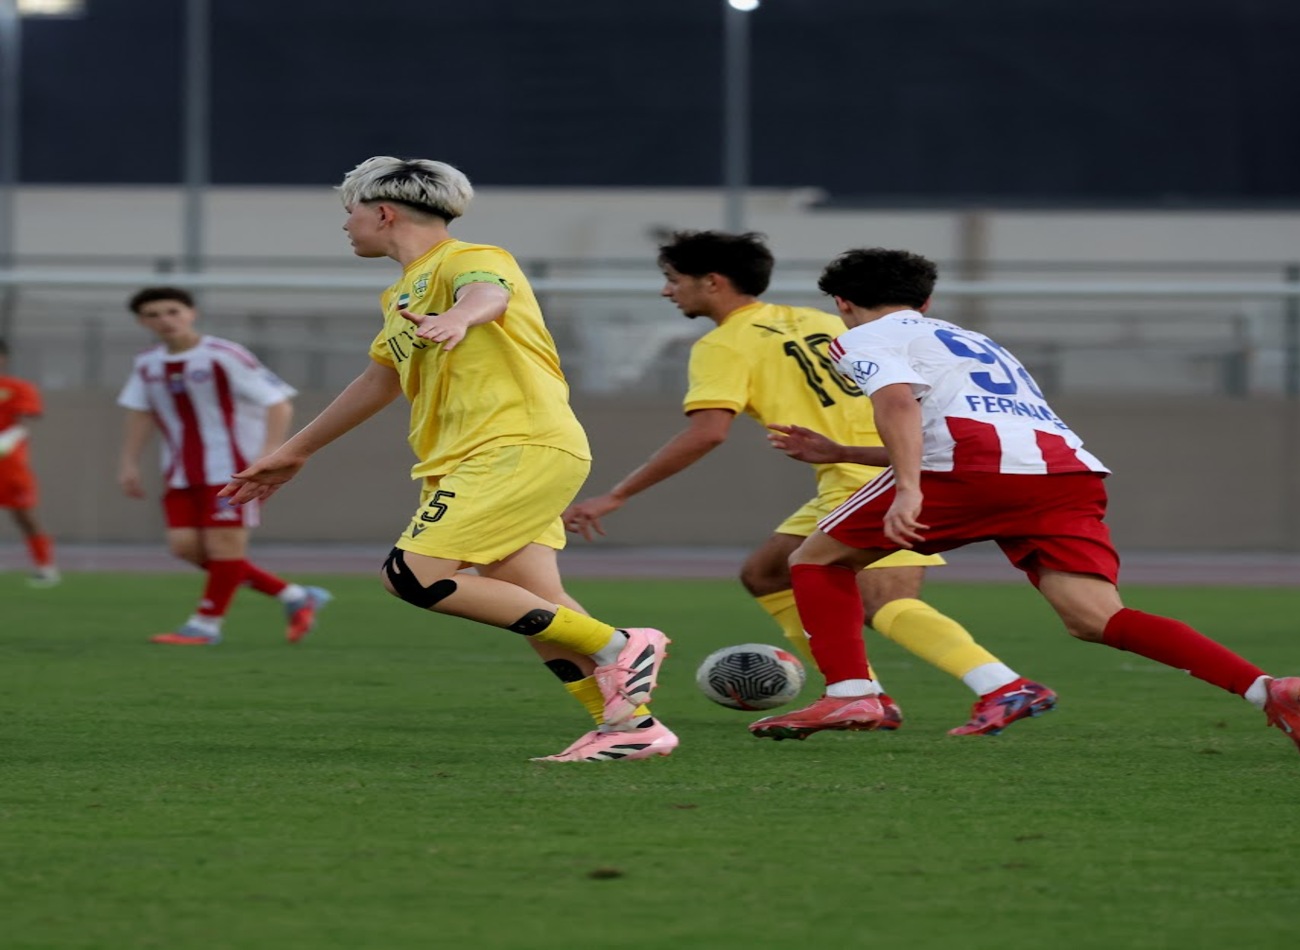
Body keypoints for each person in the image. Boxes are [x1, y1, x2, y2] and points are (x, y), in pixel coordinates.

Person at [753, 247, 1300, 759]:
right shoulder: (976, 340)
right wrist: (844, 452)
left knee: (817, 560)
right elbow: (968, 426)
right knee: (1096, 618)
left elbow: (899, 405)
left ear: (842, 302)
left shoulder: (862, 337)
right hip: (1065, 473)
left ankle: (852, 695)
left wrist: (908, 488)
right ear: (926, 301)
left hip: (972, 470)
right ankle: (1269, 690)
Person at [219, 156, 675, 763]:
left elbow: (488, 294)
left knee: (412, 576)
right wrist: (293, 452)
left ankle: (619, 644)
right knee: (532, 602)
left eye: (350, 212)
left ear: (384, 213)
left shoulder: (468, 259)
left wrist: (458, 317)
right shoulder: (399, 294)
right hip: (477, 457)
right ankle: (628, 726)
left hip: (515, 445)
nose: (346, 225)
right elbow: (379, 380)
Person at [564, 231, 1055, 736]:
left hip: (884, 470)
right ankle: (864, 693)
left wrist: (616, 495)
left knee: (884, 599)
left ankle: (1001, 685)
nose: (667, 291)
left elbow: (707, 432)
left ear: (712, 282)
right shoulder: (822, 319)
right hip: (868, 466)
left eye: (673, 279)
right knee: (766, 573)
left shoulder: (724, 343)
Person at [118, 287, 332, 645]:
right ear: (142, 322)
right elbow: (140, 411)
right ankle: (295, 596)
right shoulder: (147, 363)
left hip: (232, 469)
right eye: (153, 315)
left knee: (224, 547)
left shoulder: (223, 354)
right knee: (185, 548)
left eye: (172, 311)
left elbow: (278, 402)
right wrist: (129, 462)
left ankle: (205, 626)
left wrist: (269, 454)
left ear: (192, 313)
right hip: (180, 472)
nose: (165, 320)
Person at [0, 339, 60, 587]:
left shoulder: (18, 388)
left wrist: (10, 437)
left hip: (9, 466)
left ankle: (45, 567)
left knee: (24, 515)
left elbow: (27, 418)